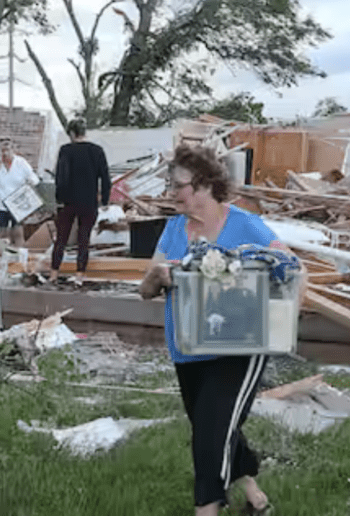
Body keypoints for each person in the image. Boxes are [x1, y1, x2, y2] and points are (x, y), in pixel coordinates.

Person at [139, 143, 301, 516]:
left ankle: (208, 509)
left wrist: (287, 317)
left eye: (176, 185)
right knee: (212, 424)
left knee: (209, 438)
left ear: (202, 184)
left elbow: (291, 267)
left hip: (240, 347)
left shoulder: (245, 225)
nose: (170, 192)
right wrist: (157, 275)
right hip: (189, 346)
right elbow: (146, 291)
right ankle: (255, 496)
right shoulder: (173, 230)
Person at [49, 119, 111, 284]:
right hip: (89, 202)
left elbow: (61, 177)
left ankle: (54, 274)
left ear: (71, 133)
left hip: (68, 202)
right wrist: (104, 200)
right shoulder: (97, 151)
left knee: (61, 238)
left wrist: (59, 199)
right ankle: (79, 276)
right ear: (84, 132)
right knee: (84, 239)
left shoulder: (66, 150)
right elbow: (105, 178)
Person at [0, 137, 40, 248]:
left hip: (17, 203)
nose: (5, 153)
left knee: (17, 231)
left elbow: (35, 179)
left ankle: (19, 257)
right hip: (1, 203)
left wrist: (30, 182)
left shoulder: (21, 163)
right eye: (2, 150)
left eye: (7, 150)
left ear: (13, 150)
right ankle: (4, 258)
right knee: (3, 233)